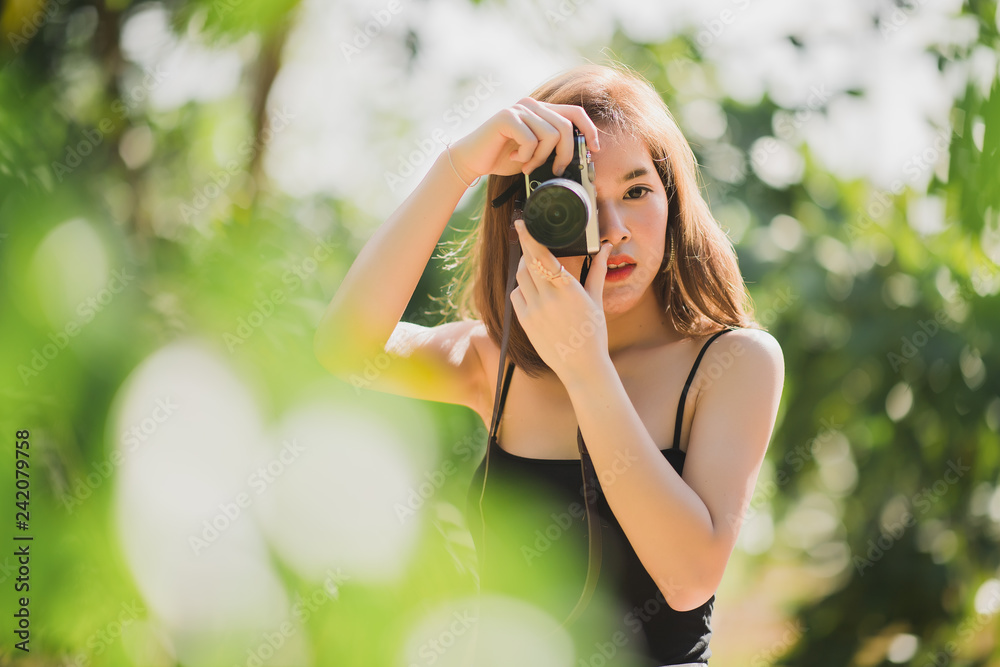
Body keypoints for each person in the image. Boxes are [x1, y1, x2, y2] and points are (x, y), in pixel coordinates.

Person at [314, 62, 784, 666]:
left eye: (637, 191)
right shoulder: (498, 362)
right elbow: (343, 349)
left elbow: (689, 578)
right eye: (585, 200)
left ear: (674, 204)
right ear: (531, 218)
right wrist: (457, 166)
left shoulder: (731, 362)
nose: (613, 231)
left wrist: (585, 366)